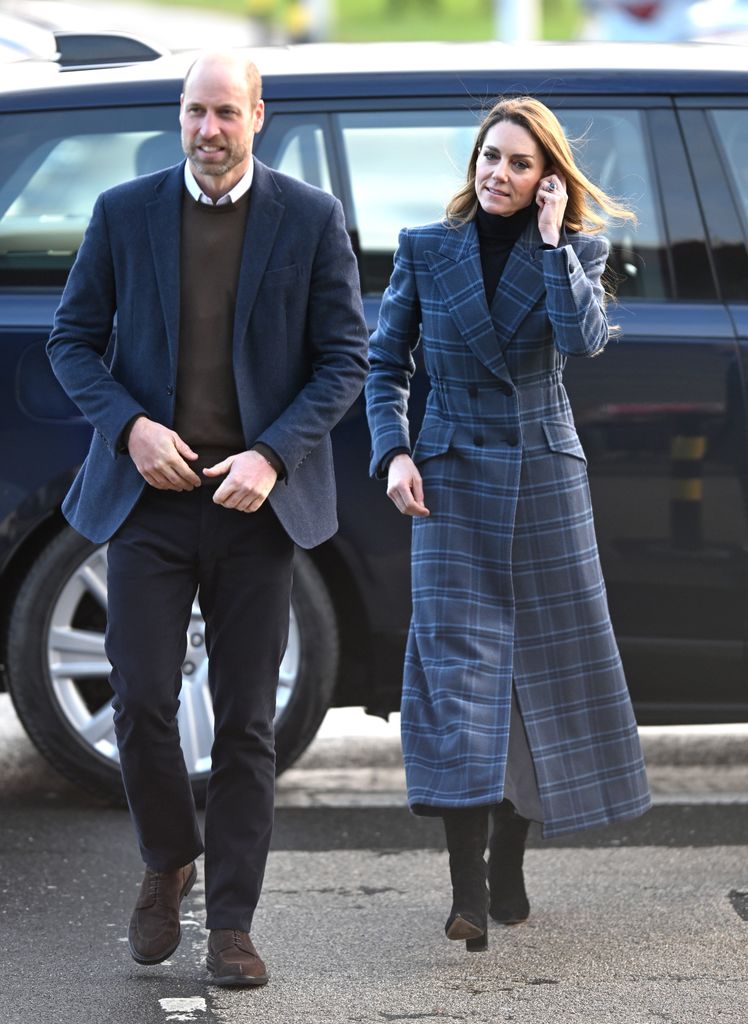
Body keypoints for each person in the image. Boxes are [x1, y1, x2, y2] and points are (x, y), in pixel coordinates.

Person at [47, 51, 368, 986]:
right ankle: (166, 860)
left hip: (256, 510)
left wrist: (272, 455)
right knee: (141, 698)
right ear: (178, 117)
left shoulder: (310, 219)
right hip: (148, 502)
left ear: (258, 117)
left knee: (245, 724)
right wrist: (132, 428)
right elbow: (73, 341)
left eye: (227, 112)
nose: (209, 130)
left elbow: (343, 358)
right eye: (195, 112)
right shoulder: (124, 211)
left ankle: (231, 920)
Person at [365, 96, 650, 953]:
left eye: (520, 164)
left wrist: (559, 243)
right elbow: (385, 362)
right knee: (459, 679)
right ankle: (465, 892)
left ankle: (508, 867)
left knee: (536, 680)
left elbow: (583, 340)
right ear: (474, 160)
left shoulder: (577, 252)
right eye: (490, 156)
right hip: (449, 481)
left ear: (547, 181)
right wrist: (395, 452)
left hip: (543, 481)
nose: (499, 173)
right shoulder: (426, 248)